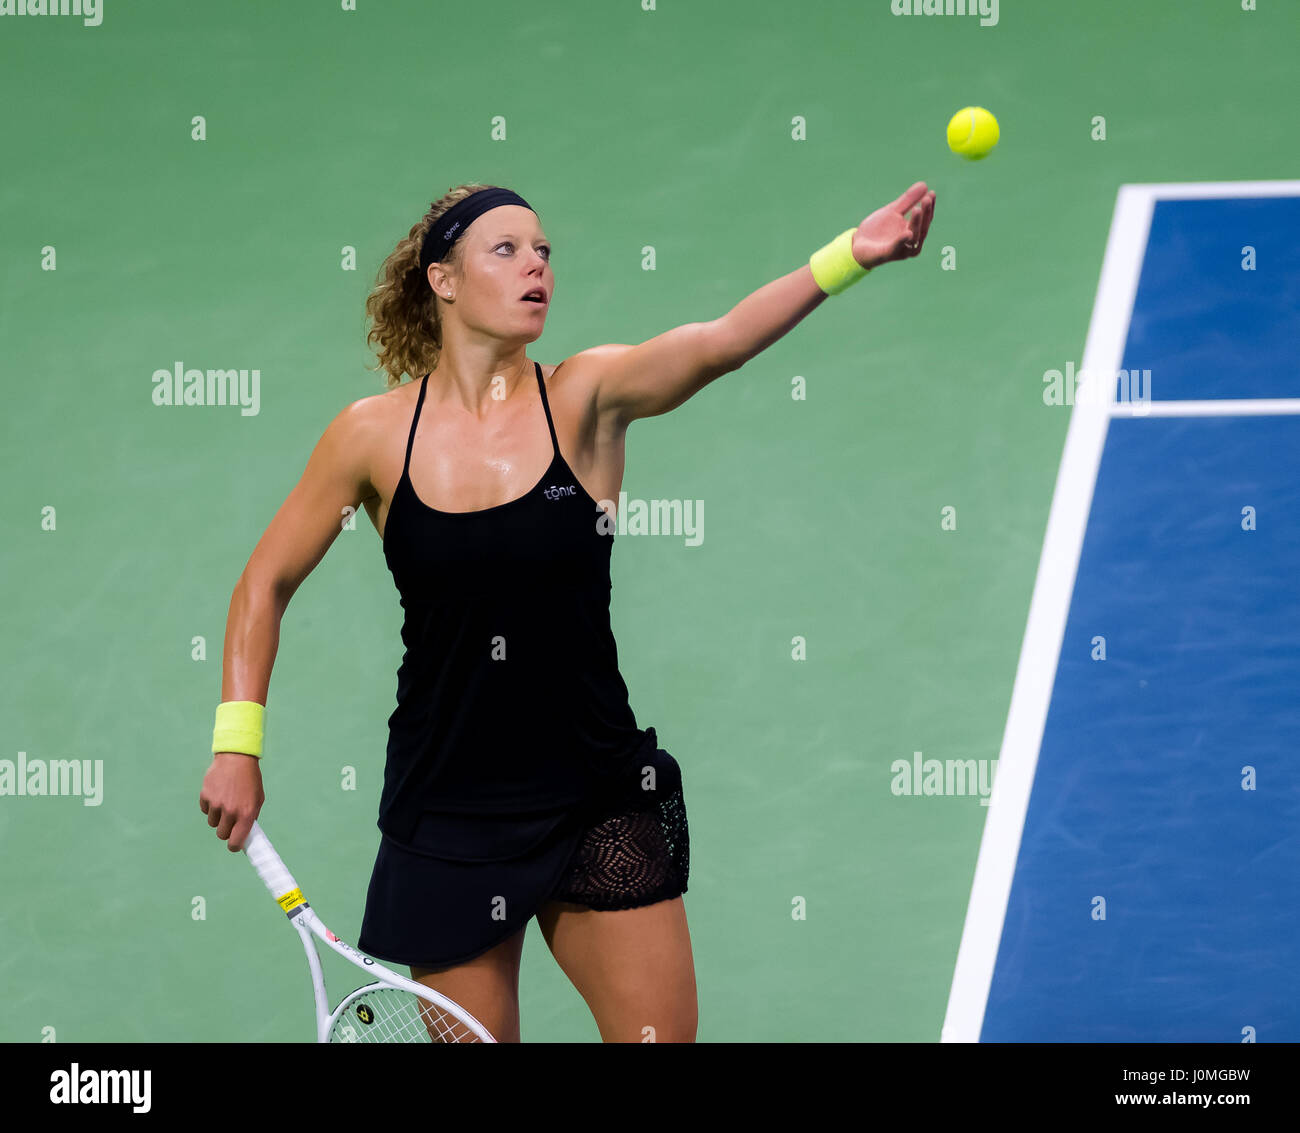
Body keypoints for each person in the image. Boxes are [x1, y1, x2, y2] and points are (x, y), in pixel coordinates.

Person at [199, 180, 936, 1043]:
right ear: (443, 280)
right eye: (506, 250)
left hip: (592, 790)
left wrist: (850, 253)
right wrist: (236, 744)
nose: (536, 265)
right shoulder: (369, 436)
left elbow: (720, 343)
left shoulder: (585, 398)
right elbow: (264, 583)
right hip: (451, 807)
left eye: (544, 251)